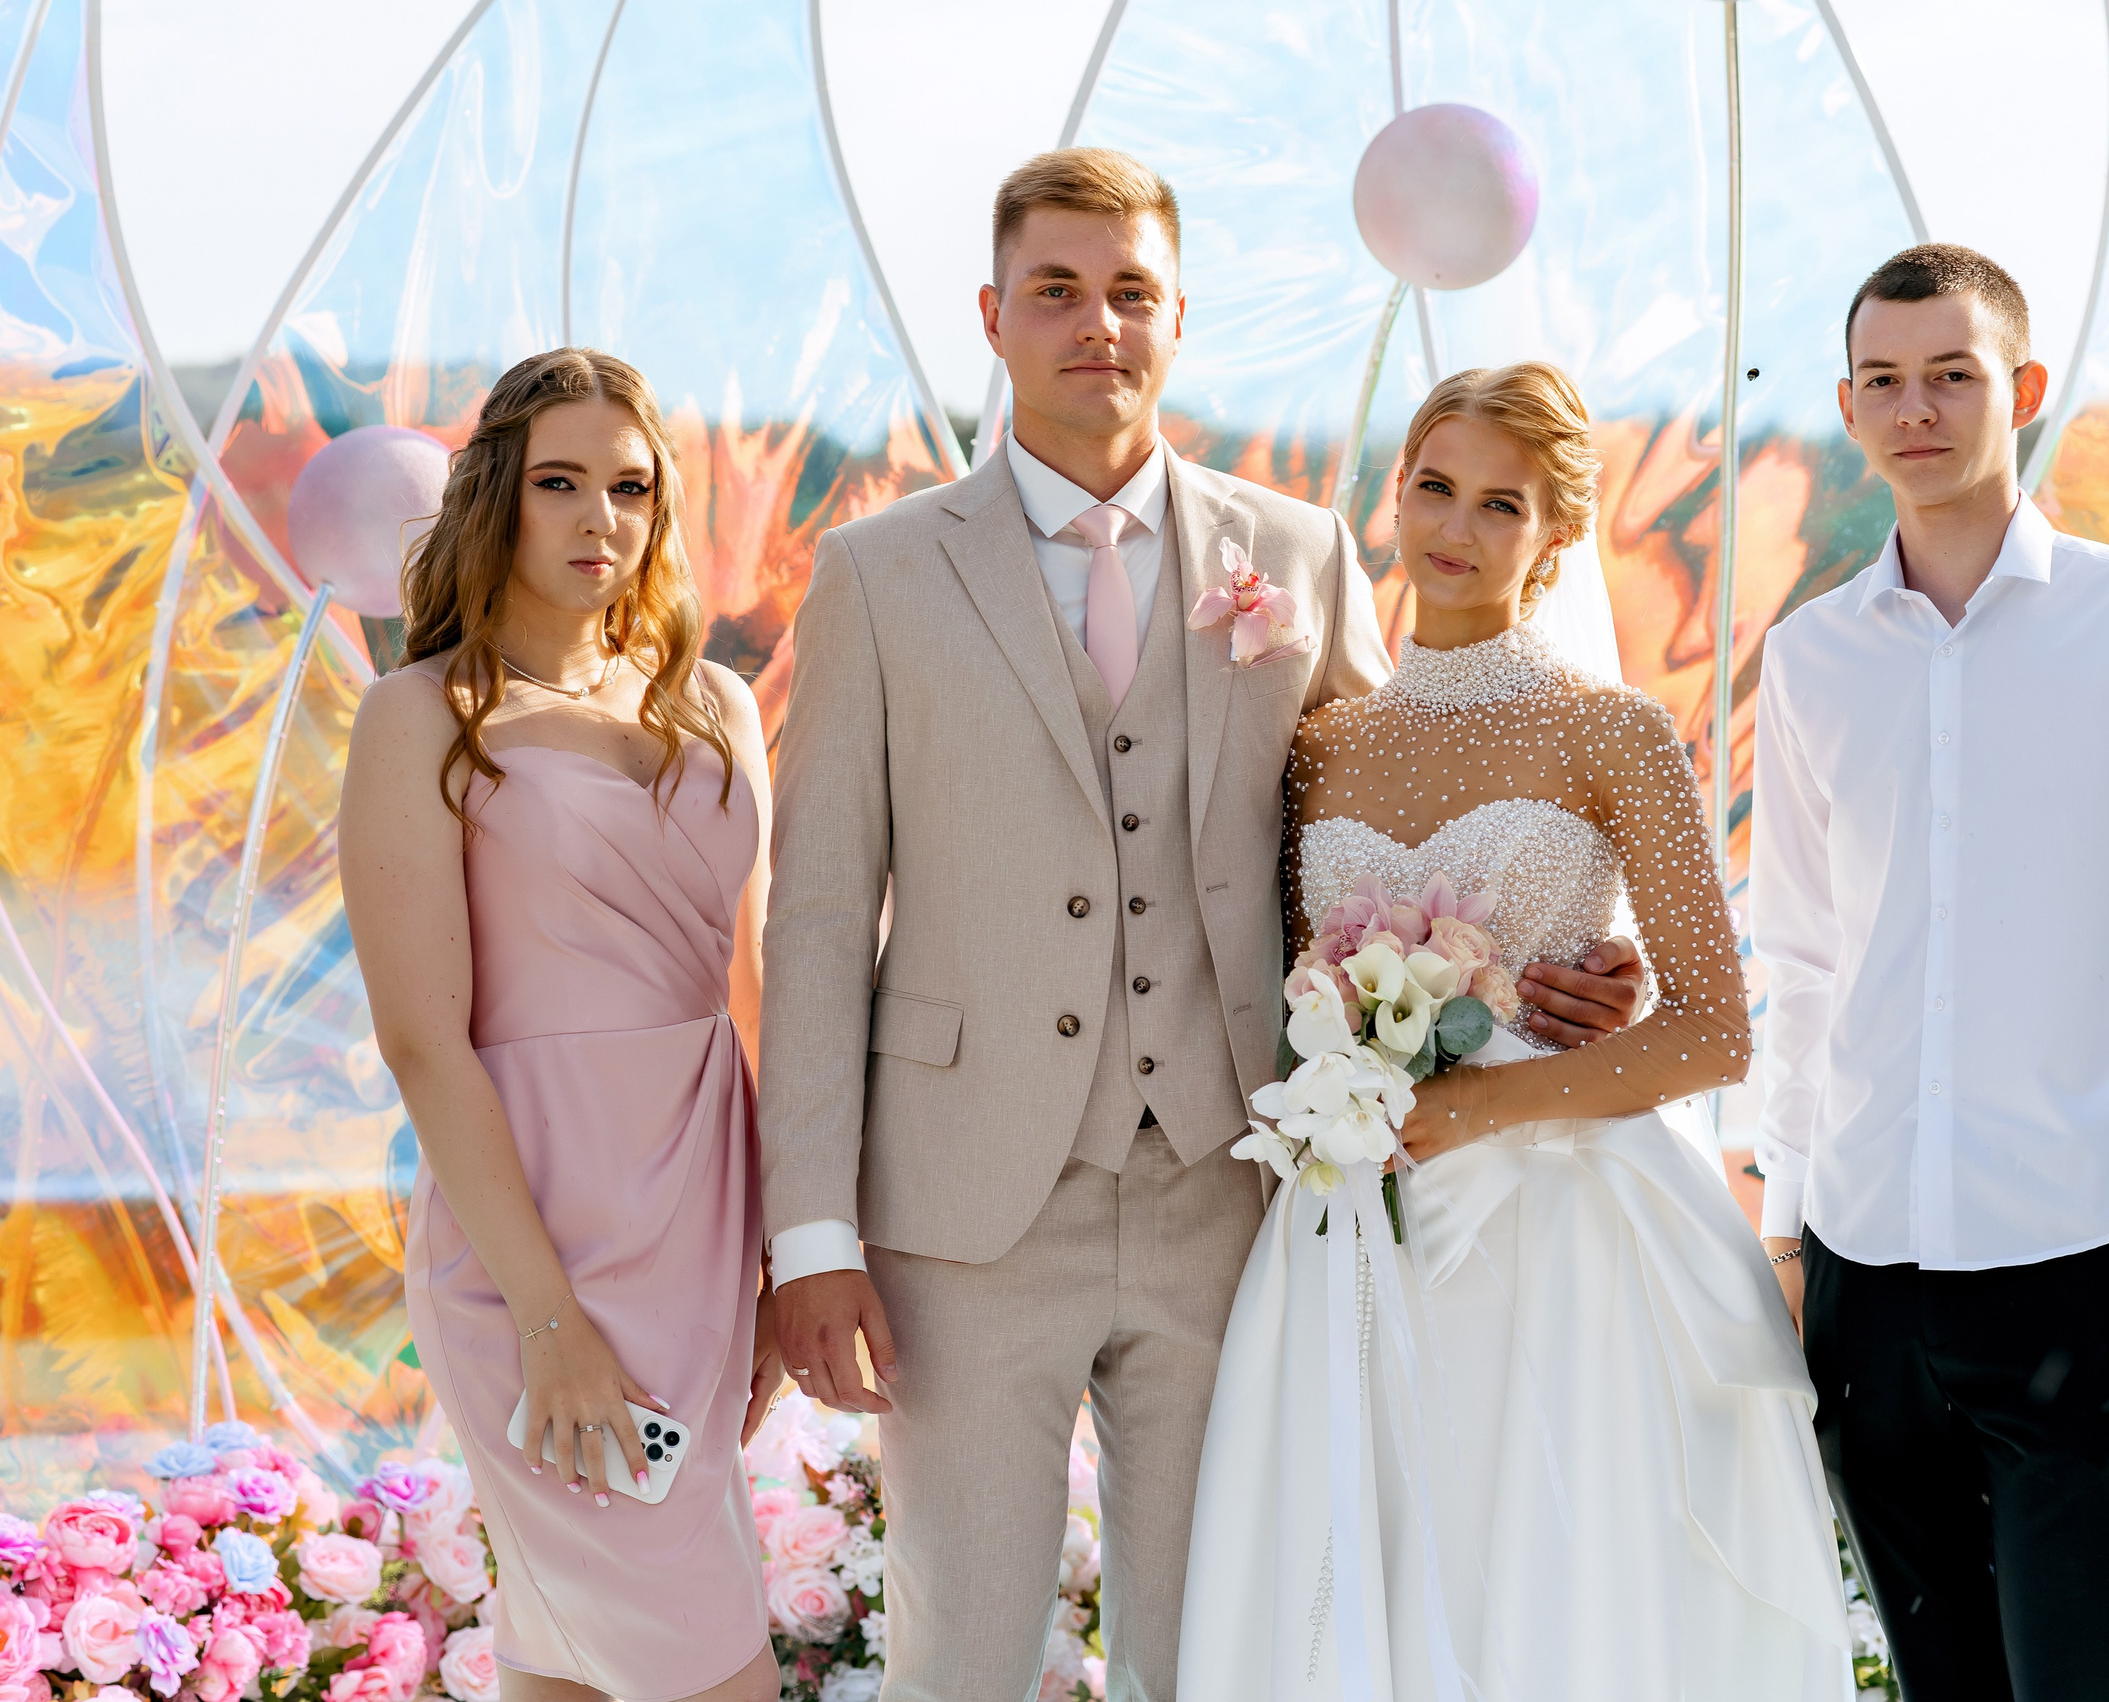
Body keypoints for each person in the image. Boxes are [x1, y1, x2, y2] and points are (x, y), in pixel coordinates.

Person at [757, 150, 1644, 1701]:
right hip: (959, 1217)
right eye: (1057, 290)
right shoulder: (878, 574)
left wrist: (1558, 936)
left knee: (1220, 1652)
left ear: (1178, 323)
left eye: (1131, 293)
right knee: (957, 1653)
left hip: (1230, 1196)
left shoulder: (1289, 554)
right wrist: (811, 1236)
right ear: (994, 314)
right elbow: (821, 917)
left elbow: (1396, 834)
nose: (1096, 322)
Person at [1181, 362, 1853, 1698]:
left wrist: (1487, 1100)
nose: (1459, 526)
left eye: (1505, 503)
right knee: (1369, 1558)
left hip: (1561, 1233)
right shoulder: (1318, 744)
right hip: (1356, 1219)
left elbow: (1719, 1031)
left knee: (1549, 1576)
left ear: (1555, 540)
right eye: (1437, 485)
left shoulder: (1610, 734)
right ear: (1393, 495)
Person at [1751, 244, 2109, 1700]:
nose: (1915, 408)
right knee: (1940, 1683)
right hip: (1864, 1270)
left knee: (2085, 1682)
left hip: (2079, 1261)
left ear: (2024, 390)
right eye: (1883, 381)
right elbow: (1796, 957)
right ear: (1848, 406)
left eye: (1952, 375)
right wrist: (1787, 1221)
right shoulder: (1809, 659)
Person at [342, 349, 782, 1702]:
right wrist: (547, 1316)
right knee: (709, 1665)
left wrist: (781, 1253)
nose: (602, 518)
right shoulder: (419, 715)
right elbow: (424, 1039)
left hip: (701, 1228)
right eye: (562, 483)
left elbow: (757, 982)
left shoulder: (710, 702)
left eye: (633, 487)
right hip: (532, 1241)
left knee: (573, 1653)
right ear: (500, 498)